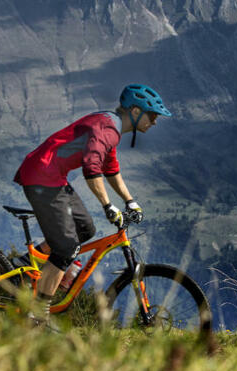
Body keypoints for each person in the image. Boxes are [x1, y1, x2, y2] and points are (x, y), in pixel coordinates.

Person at [13, 83, 171, 324]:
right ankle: (37, 316)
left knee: (86, 228)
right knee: (66, 248)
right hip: (41, 177)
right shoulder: (109, 127)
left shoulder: (111, 126)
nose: (155, 122)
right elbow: (92, 167)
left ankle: (27, 262)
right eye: (152, 115)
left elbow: (110, 168)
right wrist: (108, 206)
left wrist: (130, 201)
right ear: (136, 112)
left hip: (51, 176)